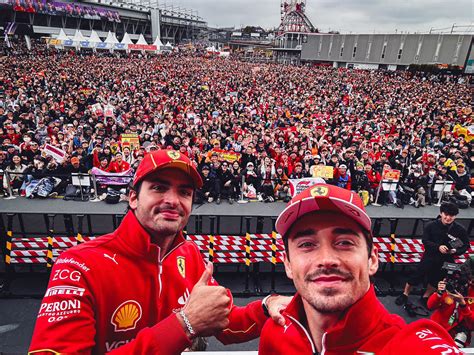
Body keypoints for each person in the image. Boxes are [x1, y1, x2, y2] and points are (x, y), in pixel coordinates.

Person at [29, 149, 289, 354]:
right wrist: (183, 325)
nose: (173, 200)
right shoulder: (78, 265)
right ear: (132, 197)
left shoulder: (189, 255)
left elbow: (227, 322)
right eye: (158, 187)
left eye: (184, 192)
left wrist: (267, 306)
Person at [259, 183, 461, 354]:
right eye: (306, 244)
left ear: (372, 259)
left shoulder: (411, 345)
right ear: (288, 265)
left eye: (345, 242)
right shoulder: (274, 334)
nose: (327, 259)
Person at [396, 202, 469, 307]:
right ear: (441, 213)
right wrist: (438, 247)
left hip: (446, 259)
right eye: (446, 214)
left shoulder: (460, 229)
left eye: (451, 216)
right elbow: (425, 241)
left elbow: (466, 245)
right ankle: (405, 294)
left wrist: (455, 251)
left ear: (455, 216)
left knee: (436, 280)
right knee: (416, 276)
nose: (448, 218)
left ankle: (426, 296)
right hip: (430, 256)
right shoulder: (431, 225)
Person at [427, 258, 474, 348]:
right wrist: (439, 293)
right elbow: (430, 306)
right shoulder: (453, 282)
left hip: (459, 330)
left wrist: (463, 305)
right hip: (438, 326)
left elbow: (472, 325)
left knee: (457, 346)